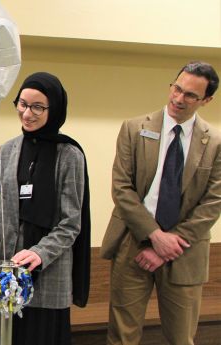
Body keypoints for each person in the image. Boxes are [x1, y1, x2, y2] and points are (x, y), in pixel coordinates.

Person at [101, 61, 221, 345]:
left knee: (182, 337)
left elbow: (213, 202)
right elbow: (122, 189)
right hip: (133, 239)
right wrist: (155, 236)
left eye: (190, 95)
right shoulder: (133, 129)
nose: (179, 98)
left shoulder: (215, 143)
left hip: (185, 250)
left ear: (206, 100)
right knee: (122, 336)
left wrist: (170, 244)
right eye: (177, 88)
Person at [0, 72, 91, 345]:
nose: (27, 113)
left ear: (54, 110)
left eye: (38, 107)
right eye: (22, 104)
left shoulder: (70, 155)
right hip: (5, 276)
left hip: (49, 276)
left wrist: (39, 253)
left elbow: (70, 222)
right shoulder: (7, 151)